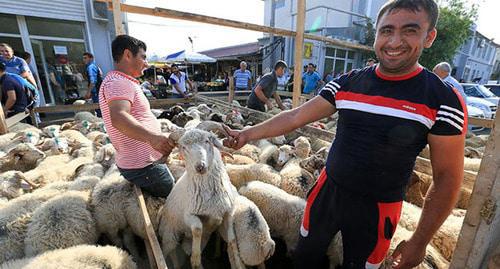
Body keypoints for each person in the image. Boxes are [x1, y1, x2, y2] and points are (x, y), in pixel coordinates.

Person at [223, 1, 466, 268]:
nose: (394, 41)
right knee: (304, 257)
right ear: (376, 34)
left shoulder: (443, 100)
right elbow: (294, 116)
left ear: (429, 36)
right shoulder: (348, 82)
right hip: (328, 193)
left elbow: (447, 177)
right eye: (386, 31)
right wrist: (247, 134)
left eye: (409, 30)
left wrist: (419, 241)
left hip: (378, 208)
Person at [99, 35, 175, 197]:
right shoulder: (118, 82)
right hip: (143, 166)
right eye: (143, 57)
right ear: (127, 55)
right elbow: (119, 117)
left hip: (143, 162)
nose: (146, 63)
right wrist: (152, 138)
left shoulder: (121, 81)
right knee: (179, 200)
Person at [83, 52, 103, 117]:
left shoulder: (90, 67)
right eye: (83, 58)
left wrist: (88, 92)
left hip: (96, 92)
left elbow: (92, 81)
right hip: (99, 91)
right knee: (100, 108)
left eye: (85, 58)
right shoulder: (95, 66)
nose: (84, 60)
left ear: (91, 58)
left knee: (99, 109)